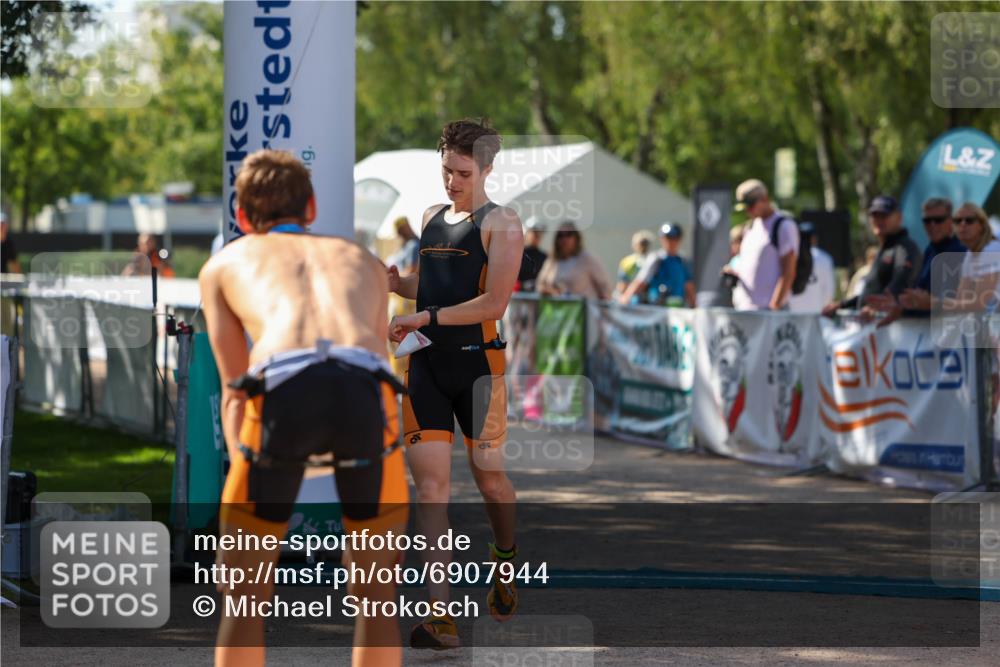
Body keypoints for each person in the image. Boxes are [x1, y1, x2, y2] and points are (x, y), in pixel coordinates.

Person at [199, 150, 408, 667]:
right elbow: (376, 354)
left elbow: (234, 389)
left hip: (283, 388)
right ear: (311, 208)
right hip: (364, 389)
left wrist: (245, 464)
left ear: (243, 217)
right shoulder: (362, 260)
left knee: (243, 597)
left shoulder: (224, 263)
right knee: (377, 598)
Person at [385, 119, 523, 649]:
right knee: (432, 493)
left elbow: (493, 303)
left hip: (479, 370)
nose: (452, 182)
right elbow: (434, 283)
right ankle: (439, 615)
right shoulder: (430, 218)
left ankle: (504, 558)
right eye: (445, 170)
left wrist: (427, 318)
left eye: (463, 173)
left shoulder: (503, 223)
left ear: (487, 168)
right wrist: (401, 286)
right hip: (426, 369)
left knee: (490, 482)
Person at [822, 195, 922, 320]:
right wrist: (842, 304)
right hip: (873, 327)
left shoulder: (904, 248)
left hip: (891, 330)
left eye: (884, 215)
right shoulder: (885, 249)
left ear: (899, 218)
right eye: (875, 215)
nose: (879, 220)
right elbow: (871, 294)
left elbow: (901, 287)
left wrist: (877, 307)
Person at [867, 197, 966, 321]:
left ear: (951, 221)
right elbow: (918, 296)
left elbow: (960, 306)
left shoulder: (960, 252)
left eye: (938, 220)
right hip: (922, 332)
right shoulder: (930, 250)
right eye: (927, 220)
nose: (932, 225)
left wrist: (917, 305)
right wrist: (897, 305)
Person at [727, 179, 799, 311]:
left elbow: (789, 271)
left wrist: (775, 304)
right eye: (745, 207)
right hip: (746, 308)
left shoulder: (783, 226)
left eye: (751, 205)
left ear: (765, 199)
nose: (748, 211)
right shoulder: (750, 227)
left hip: (769, 311)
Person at [618, 223, 694, 307]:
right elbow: (641, 281)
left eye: (674, 238)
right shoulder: (656, 259)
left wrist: (694, 307)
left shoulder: (683, 261)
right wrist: (626, 298)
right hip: (657, 308)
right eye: (667, 238)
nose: (671, 242)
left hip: (678, 310)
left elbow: (689, 286)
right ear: (662, 239)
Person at [536, 221, 612, 299]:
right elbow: (540, 284)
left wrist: (605, 309)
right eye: (560, 235)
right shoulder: (552, 260)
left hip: (584, 309)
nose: (564, 239)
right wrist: (552, 291)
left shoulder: (587, 259)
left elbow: (604, 286)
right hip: (556, 309)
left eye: (569, 234)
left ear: (576, 238)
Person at [788, 223, 835, 313]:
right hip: (816, 313)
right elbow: (829, 291)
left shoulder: (791, 255)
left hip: (792, 313)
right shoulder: (825, 258)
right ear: (814, 238)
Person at [615, 230, 654, 300]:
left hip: (631, 302)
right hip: (650, 301)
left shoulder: (627, 262)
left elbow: (622, 286)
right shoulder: (655, 261)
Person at [517, 216, 547, 292]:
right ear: (526, 233)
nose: (537, 236)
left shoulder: (544, 257)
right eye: (534, 232)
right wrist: (522, 286)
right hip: (516, 300)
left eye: (540, 233)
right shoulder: (516, 254)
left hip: (537, 300)